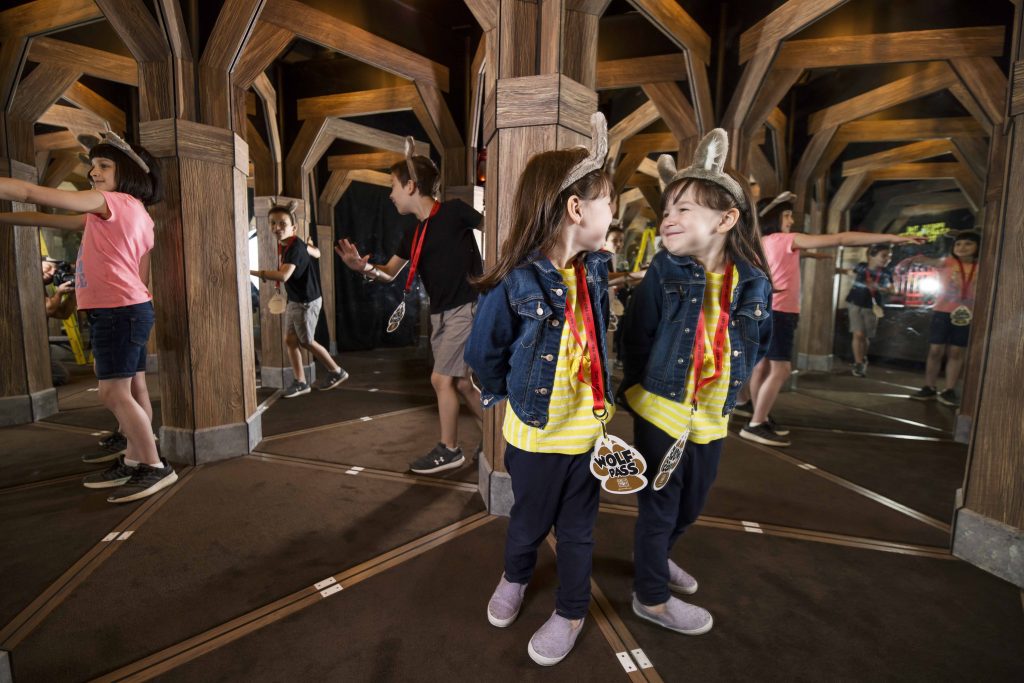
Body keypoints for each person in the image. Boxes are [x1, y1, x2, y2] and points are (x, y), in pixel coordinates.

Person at [465, 113, 614, 667]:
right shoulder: (516, 282)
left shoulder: (595, 271)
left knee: (579, 534)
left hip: (588, 440)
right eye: (607, 201)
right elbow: (484, 354)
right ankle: (515, 576)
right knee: (526, 523)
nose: (613, 213)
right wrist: (518, 399)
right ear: (576, 209)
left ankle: (572, 609)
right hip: (533, 439)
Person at [618, 129, 772, 637]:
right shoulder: (664, 270)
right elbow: (636, 337)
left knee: (692, 505)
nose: (670, 218)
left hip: (712, 419)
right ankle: (651, 597)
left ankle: (658, 559)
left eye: (685, 209)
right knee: (660, 507)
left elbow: (759, 338)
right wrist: (643, 394)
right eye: (668, 210)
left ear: (726, 219)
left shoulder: (752, 280)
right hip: (663, 412)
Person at [0, 132, 173, 503]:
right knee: (132, 389)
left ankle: (155, 466)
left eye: (104, 166)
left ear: (126, 172)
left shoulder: (109, 202)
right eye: (93, 166)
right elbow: (41, 217)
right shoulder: (135, 214)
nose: (94, 172)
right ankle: (133, 458)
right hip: (130, 308)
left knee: (112, 393)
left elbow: (32, 194)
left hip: (118, 311)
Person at [336, 139, 484, 475]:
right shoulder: (412, 234)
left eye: (393, 186)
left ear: (411, 185)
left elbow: (497, 229)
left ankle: (450, 449)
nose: (390, 195)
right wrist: (363, 269)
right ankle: (496, 437)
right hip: (441, 314)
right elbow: (388, 273)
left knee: (440, 379)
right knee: (461, 384)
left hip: (467, 307)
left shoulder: (456, 212)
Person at [736, 194, 924, 447]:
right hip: (781, 312)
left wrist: (812, 257)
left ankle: (761, 417)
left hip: (763, 310)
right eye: (788, 215)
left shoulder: (760, 242)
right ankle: (756, 423)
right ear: (774, 216)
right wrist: (892, 238)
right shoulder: (786, 239)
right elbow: (840, 239)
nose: (791, 220)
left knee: (762, 367)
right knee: (780, 369)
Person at [251, 201, 348, 398]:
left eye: (282, 224)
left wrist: (251, 271)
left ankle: (336, 371)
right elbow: (318, 253)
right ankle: (301, 382)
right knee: (290, 339)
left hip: (306, 302)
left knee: (306, 341)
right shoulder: (293, 243)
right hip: (295, 300)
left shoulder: (294, 247)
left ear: (293, 228)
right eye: (273, 223)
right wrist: (310, 246)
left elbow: (283, 276)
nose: (277, 228)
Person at [907, 230, 981, 407]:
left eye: (968, 243)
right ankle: (929, 386)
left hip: (966, 314)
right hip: (942, 312)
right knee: (935, 350)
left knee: (956, 352)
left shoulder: (983, 266)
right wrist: (918, 249)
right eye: (958, 244)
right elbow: (928, 260)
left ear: (979, 247)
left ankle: (949, 389)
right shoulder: (948, 262)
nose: (962, 247)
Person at [842, 245, 893, 377]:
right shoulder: (861, 266)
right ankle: (858, 363)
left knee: (865, 335)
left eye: (889, 257)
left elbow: (892, 288)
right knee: (857, 333)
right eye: (884, 256)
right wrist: (838, 270)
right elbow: (851, 272)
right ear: (871, 256)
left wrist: (881, 288)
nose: (887, 259)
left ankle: (863, 357)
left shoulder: (886, 272)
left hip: (872, 305)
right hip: (854, 301)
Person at [41, 257, 77, 386]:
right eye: (49, 267)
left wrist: (74, 293)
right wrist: (59, 293)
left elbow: (62, 313)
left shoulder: (41, 287)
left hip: (39, 345)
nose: (51, 273)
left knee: (60, 375)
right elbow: (48, 309)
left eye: (54, 272)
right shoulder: (27, 279)